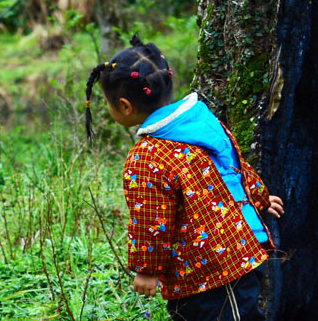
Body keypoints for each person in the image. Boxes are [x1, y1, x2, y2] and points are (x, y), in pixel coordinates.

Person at [84, 36, 285, 321]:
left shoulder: (147, 156)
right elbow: (232, 164)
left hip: (211, 273)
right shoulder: (202, 121)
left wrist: (147, 269)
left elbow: (152, 219)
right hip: (235, 253)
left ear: (125, 106)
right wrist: (258, 196)